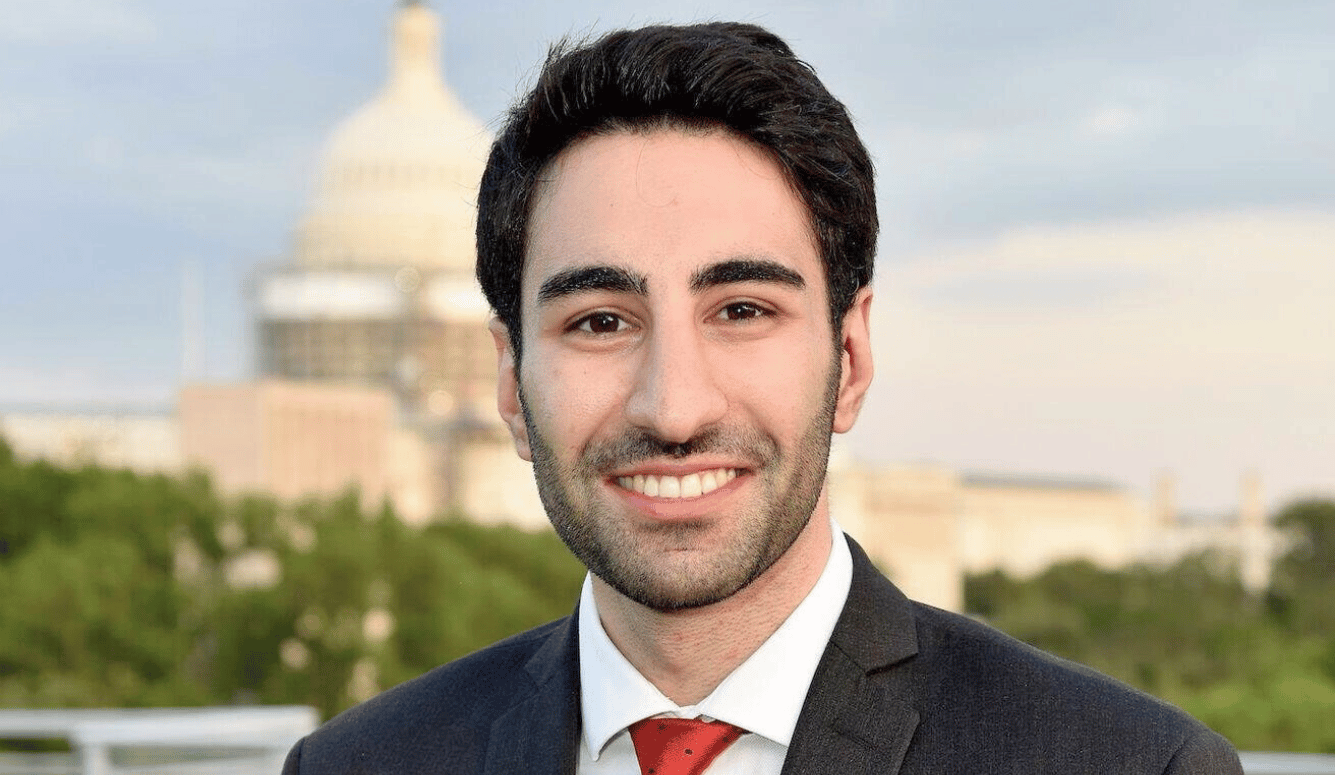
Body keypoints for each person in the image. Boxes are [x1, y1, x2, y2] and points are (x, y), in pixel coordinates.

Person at [284, 22, 1242, 774]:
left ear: (851, 357)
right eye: (599, 322)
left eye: (739, 308)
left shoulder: (1121, 765)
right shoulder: (359, 764)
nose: (673, 407)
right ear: (507, 378)